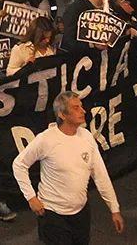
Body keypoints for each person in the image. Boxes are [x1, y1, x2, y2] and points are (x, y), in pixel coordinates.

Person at [12, 91, 125, 244]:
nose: (83, 111)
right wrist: (31, 198)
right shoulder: (46, 140)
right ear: (62, 115)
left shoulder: (87, 137)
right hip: (53, 215)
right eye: (76, 108)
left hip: (81, 214)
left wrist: (114, 208)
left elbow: (100, 174)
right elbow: (19, 165)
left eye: (82, 106)